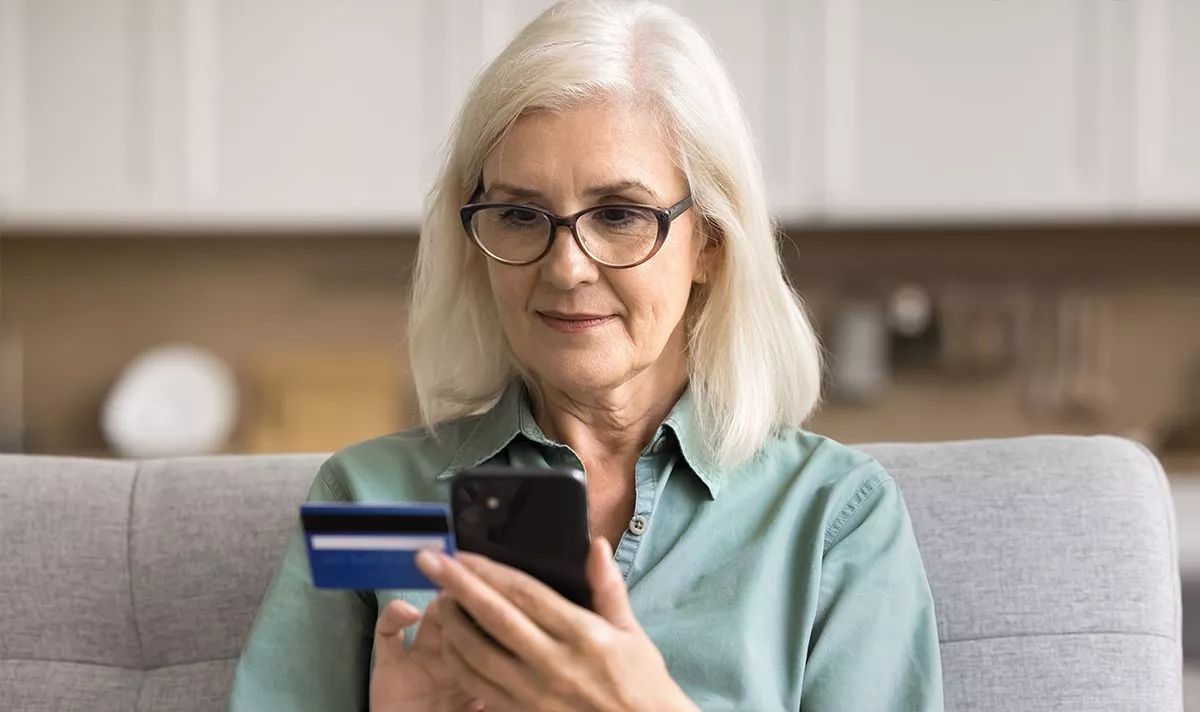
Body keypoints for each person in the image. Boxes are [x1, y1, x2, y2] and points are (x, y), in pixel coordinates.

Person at [227, 1, 944, 710]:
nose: (566, 268)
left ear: (712, 244)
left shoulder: (830, 514)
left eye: (620, 215)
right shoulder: (370, 499)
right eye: (518, 215)